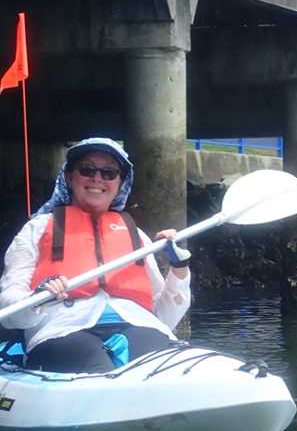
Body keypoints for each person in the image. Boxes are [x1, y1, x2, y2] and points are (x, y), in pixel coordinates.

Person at [0, 137, 192, 373]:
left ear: (120, 182)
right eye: (87, 169)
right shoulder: (38, 228)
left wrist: (179, 268)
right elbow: (8, 311)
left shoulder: (136, 235)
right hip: (62, 327)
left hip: (137, 325)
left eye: (109, 173)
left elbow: (165, 317)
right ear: (70, 176)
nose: (97, 178)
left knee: (160, 360)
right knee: (92, 361)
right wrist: (36, 299)